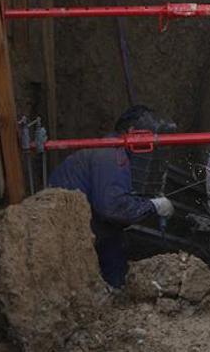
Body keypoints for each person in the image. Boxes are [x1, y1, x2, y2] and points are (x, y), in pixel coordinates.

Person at [48, 105, 175, 288]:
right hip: (66, 231)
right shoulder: (112, 154)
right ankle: (114, 289)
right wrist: (154, 206)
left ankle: (116, 288)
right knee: (113, 243)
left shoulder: (114, 151)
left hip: (86, 224)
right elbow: (111, 206)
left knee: (115, 243)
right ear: (132, 132)